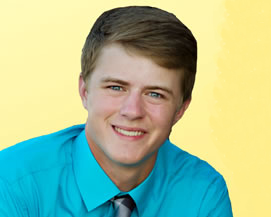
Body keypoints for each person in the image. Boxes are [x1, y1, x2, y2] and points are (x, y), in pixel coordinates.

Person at [0, 6, 233, 217]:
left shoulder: (204, 193)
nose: (132, 111)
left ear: (181, 109)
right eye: (116, 87)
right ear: (84, 91)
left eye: (155, 94)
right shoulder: (12, 182)